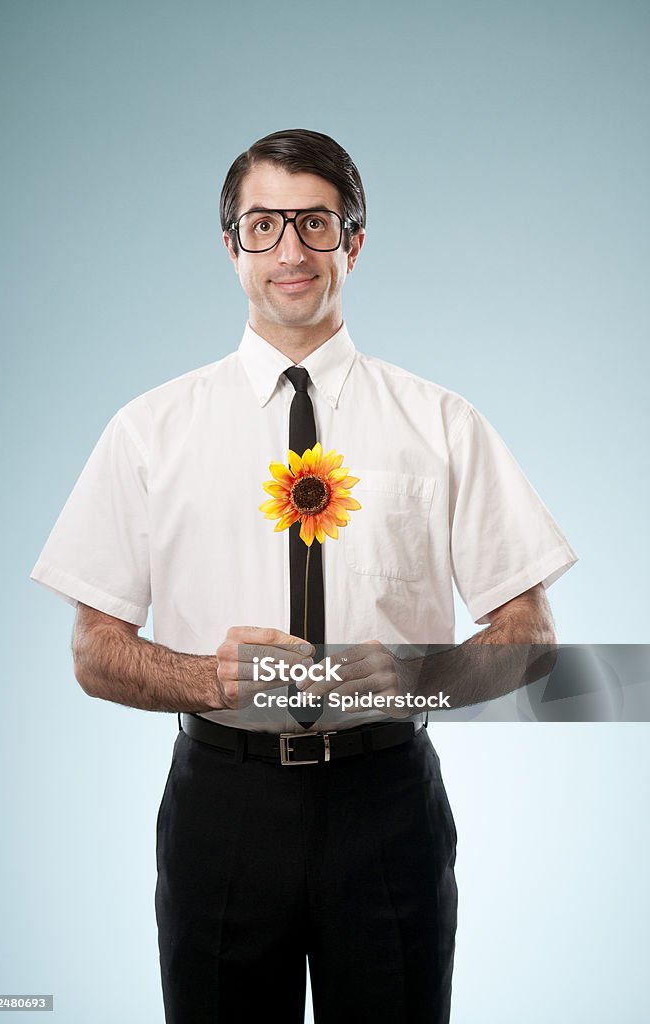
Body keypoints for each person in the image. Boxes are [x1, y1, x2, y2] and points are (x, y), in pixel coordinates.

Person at [30, 128, 577, 1023]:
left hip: (388, 801)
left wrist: (418, 679)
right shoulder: (148, 431)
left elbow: (532, 636)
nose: (290, 249)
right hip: (225, 806)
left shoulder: (441, 422)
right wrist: (206, 677)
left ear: (353, 244)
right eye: (263, 224)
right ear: (230, 246)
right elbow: (94, 652)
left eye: (316, 224)